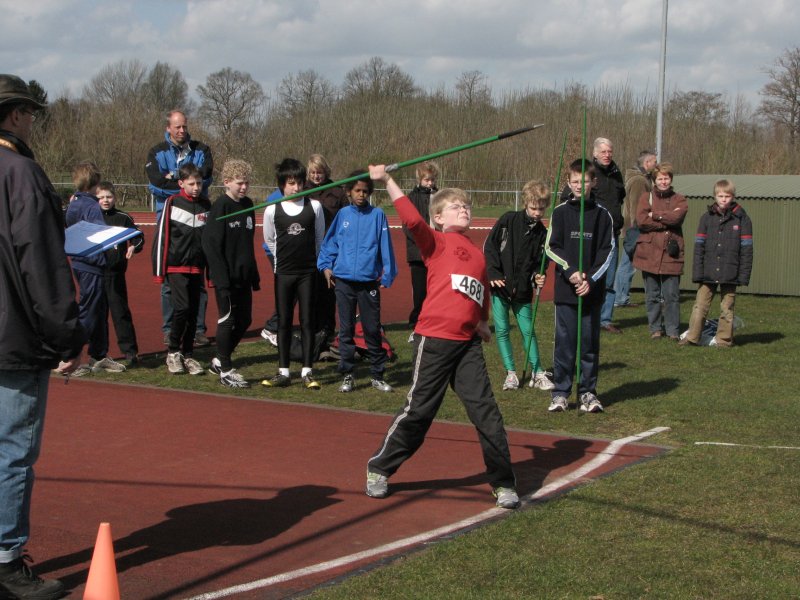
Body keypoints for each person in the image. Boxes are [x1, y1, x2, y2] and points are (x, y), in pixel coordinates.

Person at [364, 164, 520, 510]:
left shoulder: (477, 255)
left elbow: (479, 292)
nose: (464, 210)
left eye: (467, 207)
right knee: (419, 412)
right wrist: (387, 180)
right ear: (438, 217)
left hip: (467, 346)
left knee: (487, 414)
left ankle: (503, 482)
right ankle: (379, 468)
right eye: (455, 206)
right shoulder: (434, 242)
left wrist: (482, 322)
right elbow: (411, 220)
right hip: (434, 341)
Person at [0, 73, 85, 600]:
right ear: (12, 116)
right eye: (28, 112)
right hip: (14, 336)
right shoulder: (22, 172)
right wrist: (66, 336)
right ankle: (6, 562)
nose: (32, 120)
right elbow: (43, 266)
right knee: (12, 449)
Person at [317, 171, 397, 393]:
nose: (361, 195)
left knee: (372, 329)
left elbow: (385, 246)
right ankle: (348, 373)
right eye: (357, 191)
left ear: (370, 193)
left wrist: (387, 273)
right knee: (346, 329)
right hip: (343, 282)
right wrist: (325, 266)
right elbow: (330, 243)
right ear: (349, 192)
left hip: (368, 283)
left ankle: (377, 374)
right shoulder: (343, 215)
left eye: (365, 191)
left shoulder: (378, 215)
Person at [545, 159, 614, 413]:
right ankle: (560, 393)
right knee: (564, 344)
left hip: (591, 292)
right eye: (575, 181)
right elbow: (552, 246)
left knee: (588, 344)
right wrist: (571, 271)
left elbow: (607, 252)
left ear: (593, 183)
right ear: (568, 183)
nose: (579, 185)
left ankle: (587, 392)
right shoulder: (560, 212)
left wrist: (591, 279)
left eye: (584, 181)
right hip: (566, 291)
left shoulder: (602, 215)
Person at [145, 110, 213, 346]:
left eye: (184, 126)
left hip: (198, 217)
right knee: (169, 278)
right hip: (169, 218)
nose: (182, 131)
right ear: (168, 128)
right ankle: (169, 328)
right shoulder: (156, 152)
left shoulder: (201, 150)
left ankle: (197, 330)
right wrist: (182, 188)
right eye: (177, 127)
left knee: (198, 276)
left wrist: (173, 179)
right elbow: (156, 185)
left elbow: (205, 179)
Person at [483, 179, 554, 392]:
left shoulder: (543, 234)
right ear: (525, 203)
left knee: (528, 331)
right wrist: (493, 272)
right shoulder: (508, 220)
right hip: (500, 287)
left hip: (522, 290)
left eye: (541, 209)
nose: (537, 213)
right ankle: (511, 373)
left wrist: (537, 276)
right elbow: (490, 247)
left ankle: (538, 371)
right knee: (502, 330)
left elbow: (541, 262)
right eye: (533, 208)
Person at [261, 158, 325, 389]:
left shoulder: (314, 207)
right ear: (281, 185)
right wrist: (281, 261)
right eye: (291, 183)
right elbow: (269, 240)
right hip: (284, 273)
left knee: (307, 322)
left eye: (299, 183)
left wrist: (313, 262)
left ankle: (308, 371)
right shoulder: (271, 210)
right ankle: (284, 371)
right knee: (284, 322)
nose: (296, 188)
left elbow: (319, 239)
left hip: (307, 272)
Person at [202, 159, 260, 388]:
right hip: (225, 276)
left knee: (245, 319)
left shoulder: (248, 205)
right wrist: (221, 277)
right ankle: (226, 369)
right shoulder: (221, 207)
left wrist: (253, 273)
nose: (244, 187)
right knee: (227, 320)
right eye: (239, 183)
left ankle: (218, 358)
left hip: (243, 275)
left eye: (246, 183)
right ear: (227, 182)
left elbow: (247, 243)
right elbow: (211, 245)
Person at [65, 162, 127, 376]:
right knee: (89, 310)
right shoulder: (90, 206)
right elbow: (96, 234)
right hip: (90, 263)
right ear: (95, 182)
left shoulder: (74, 203)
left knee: (99, 310)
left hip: (82, 262)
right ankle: (71, 357)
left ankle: (99, 354)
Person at [152, 163, 210, 376]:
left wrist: (210, 271)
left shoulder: (206, 205)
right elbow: (162, 237)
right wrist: (159, 271)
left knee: (194, 312)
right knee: (182, 308)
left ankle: (188, 354)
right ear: (181, 183)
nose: (196, 187)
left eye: (199, 183)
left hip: (197, 267)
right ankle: (173, 351)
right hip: (176, 266)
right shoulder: (172, 202)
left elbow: (209, 241)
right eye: (191, 183)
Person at [680, 179, 753, 347]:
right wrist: (698, 272)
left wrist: (743, 276)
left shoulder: (743, 219)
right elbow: (699, 247)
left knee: (727, 307)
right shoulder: (706, 218)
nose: (724, 199)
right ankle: (692, 337)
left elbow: (747, 250)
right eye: (720, 196)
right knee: (700, 305)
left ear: (733, 196)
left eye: (727, 196)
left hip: (731, 272)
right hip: (708, 271)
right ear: (715, 196)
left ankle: (724, 340)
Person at [632, 162, 688, 340]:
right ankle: (655, 328)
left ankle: (673, 330)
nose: (664, 181)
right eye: (660, 178)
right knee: (652, 295)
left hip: (671, 252)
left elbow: (677, 218)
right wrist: (666, 219)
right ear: (654, 180)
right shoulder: (645, 197)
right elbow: (641, 221)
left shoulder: (680, 199)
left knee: (671, 295)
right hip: (649, 251)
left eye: (667, 178)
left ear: (671, 179)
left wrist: (654, 215)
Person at [97, 181, 144, 367]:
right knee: (98, 315)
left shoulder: (122, 218)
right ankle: (99, 353)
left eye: (109, 197)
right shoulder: (91, 217)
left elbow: (139, 237)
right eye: (101, 197)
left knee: (120, 313)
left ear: (115, 198)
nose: (105, 200)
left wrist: (133, 246)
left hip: (115, 274)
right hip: (96, 273)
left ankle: (130, 352)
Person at [306, 154, 348, 341]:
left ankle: (328, 329)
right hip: (308, 248)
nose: (316, 176)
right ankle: (311, 328)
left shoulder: (337, 192)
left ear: (326, 172)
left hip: (330, 249)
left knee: (328, 291)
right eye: (313, 172)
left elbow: (346, 218)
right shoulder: (302, 191)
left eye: (320, 172)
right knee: (309, 291)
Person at [591, 138, 626, 334]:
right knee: (593, 276)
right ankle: (590, 316)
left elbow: (620, 197)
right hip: (594, 235)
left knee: (610, 280)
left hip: (612, 234)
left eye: (609, 151)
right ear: (595, 153)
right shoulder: (589, 173)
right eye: (603, 152)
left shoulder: (616, 173)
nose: (607, 155)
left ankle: (605, 319)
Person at [402, 161, 439, 342]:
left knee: (436, 289)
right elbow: (408, 225)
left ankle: (434, 320)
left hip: (437, 252)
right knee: (419, 290)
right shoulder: (412, 198)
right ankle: (416, 321)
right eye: (426, 180)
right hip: (417, 253)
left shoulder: (440, 196)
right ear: (419, 179)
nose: (429, 183)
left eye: (432, 180)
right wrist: (421, 242)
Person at [616, 150, 657, 308]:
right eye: (654, 161)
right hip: (635, 228)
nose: (656, 164)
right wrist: (637, 229)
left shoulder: (640, 179)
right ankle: (620, 298)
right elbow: (636, 207)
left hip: (633, 227)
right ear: (646, 163)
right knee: (628, 264)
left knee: (628, 263)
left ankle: (621, 297)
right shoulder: (639, 181)